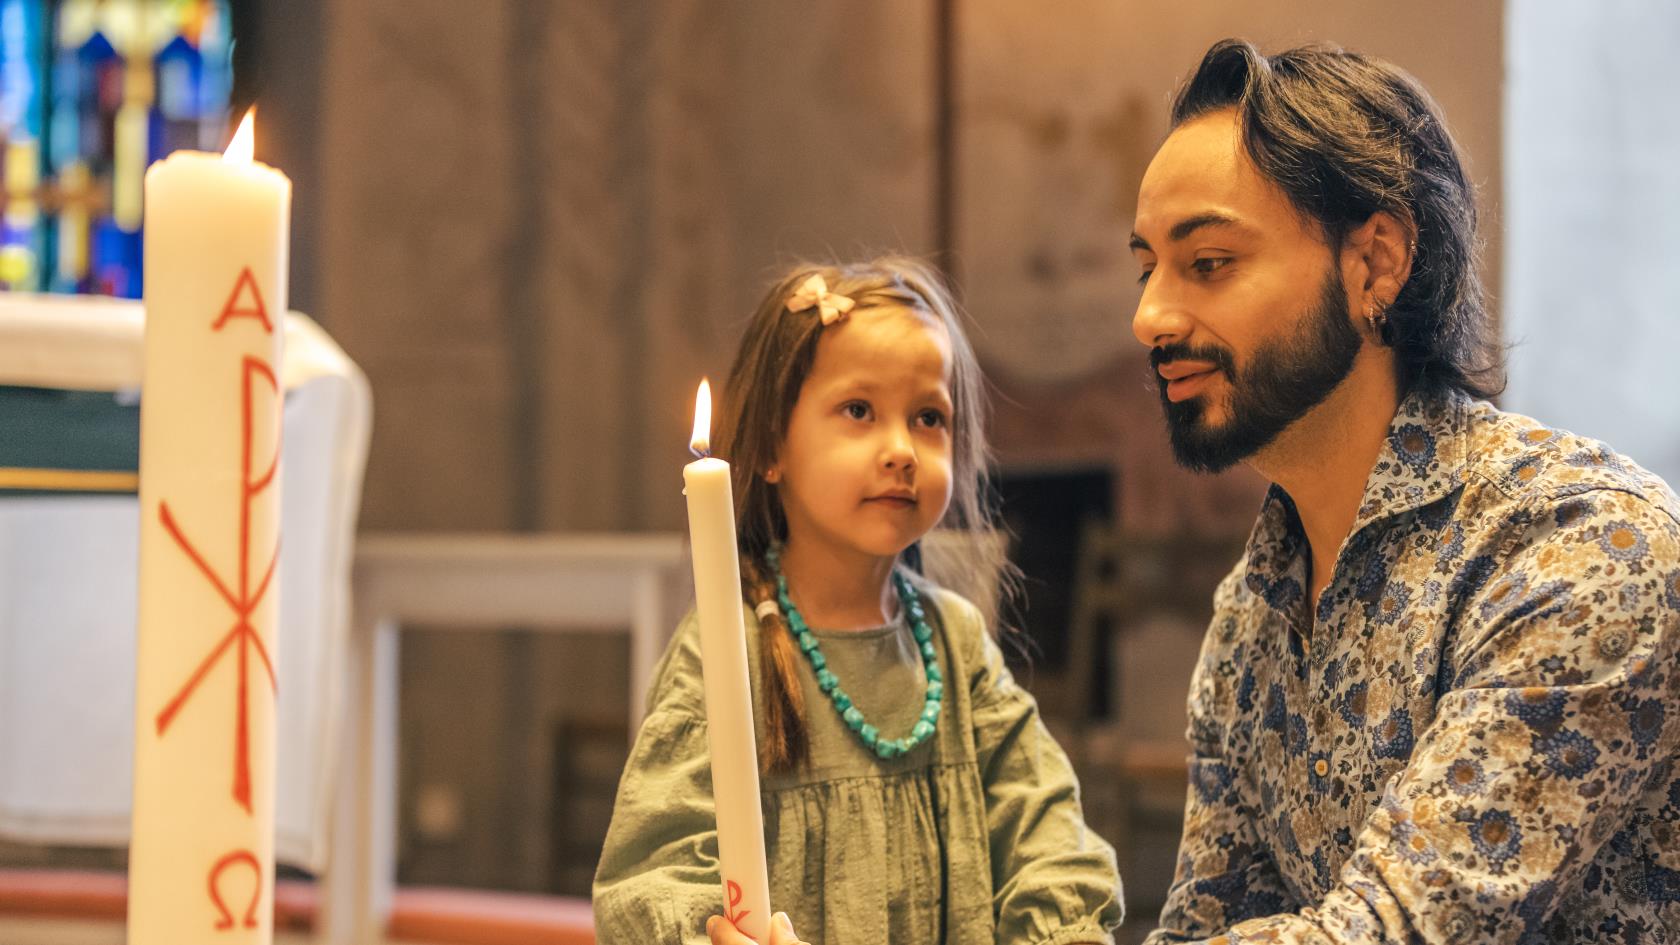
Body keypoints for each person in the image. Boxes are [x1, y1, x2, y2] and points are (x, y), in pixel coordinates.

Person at [1127, 38, 1680, 944]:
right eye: (1146, 264)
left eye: (1210, 262)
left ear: (1375, 264)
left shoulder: (1587, 549)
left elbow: (1396, 931)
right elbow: (1208, 923)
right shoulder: (1253, 609)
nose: (1148, 315)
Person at [594, 257, 1124, 945]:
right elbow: (658, 869)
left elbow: (1044, 826)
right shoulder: (728, 648)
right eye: (859, 410)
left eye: (928, 417)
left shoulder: (955, 643)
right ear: (771, 445)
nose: (901, 449)